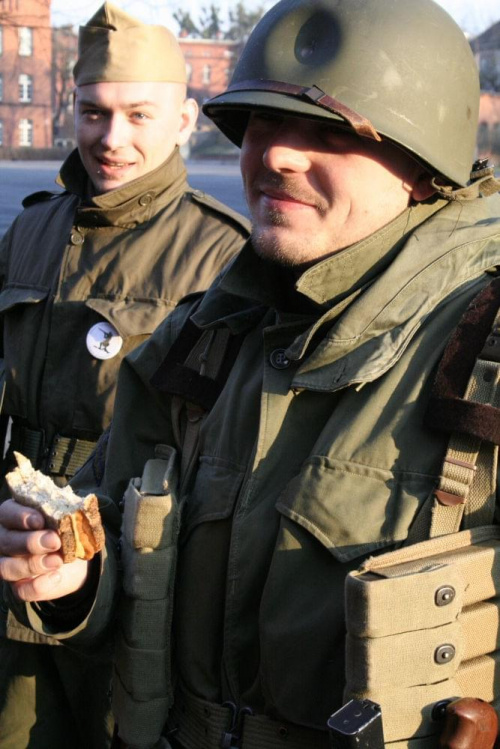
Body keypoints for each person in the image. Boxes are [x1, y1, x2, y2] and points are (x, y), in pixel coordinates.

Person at [1, 0, 500, 747]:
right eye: (260, 124)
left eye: (328, 131)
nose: (275, 156)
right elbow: (118, 547)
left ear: (422, 162)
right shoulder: (200, 339)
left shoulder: (483, 353)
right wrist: (71, 581)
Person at [0, 3, 249, 747]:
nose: (113, 139)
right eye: (93, 112)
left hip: (135, 582)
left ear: (184, 120)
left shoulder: (220, 255)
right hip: (15, 563)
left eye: (140, 115)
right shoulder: (32, 228)